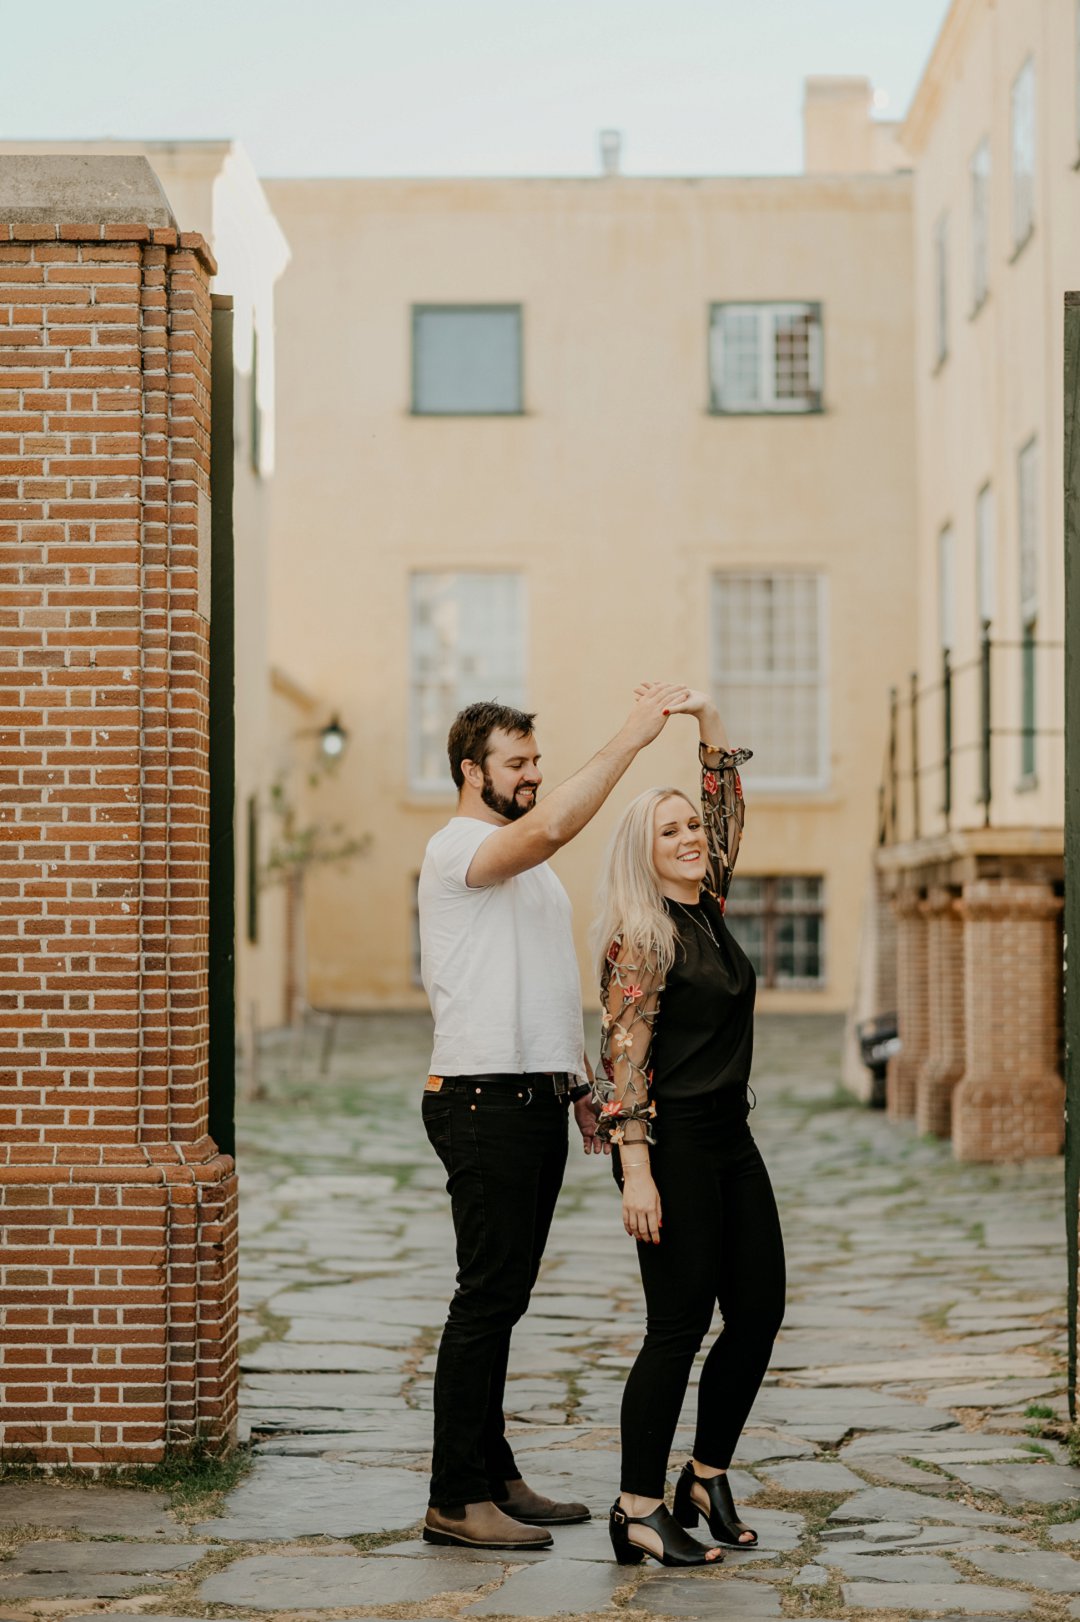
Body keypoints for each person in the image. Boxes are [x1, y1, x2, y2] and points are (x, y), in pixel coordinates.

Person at [418, 686, 689, 1552]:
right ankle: (455, 1498)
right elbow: (553, 826)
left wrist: (575, 1081)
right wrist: (631, 738)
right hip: (479, 1097)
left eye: (537, 761)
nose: (533, 775)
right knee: (485, 1297)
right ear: (473, 771)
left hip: (531, 1094)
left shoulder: (526, 871)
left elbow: (538, 977)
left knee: (506, 1297)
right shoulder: (458, 848)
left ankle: (494, 1474)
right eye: (518, 763)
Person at [591, 686, 786, 1569]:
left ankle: (704, 1476)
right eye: (667, 831)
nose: (688, 837)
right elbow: (624, 1062)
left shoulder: (706, 904)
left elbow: (724, 806)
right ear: (644, 850)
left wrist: (707, 720)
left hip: (729, 1138)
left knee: (759, 1309)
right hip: (669, 1147)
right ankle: (637, 1507)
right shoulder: (643, 936)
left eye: (691, 828)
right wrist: (636, 1169)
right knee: (676, 1326)